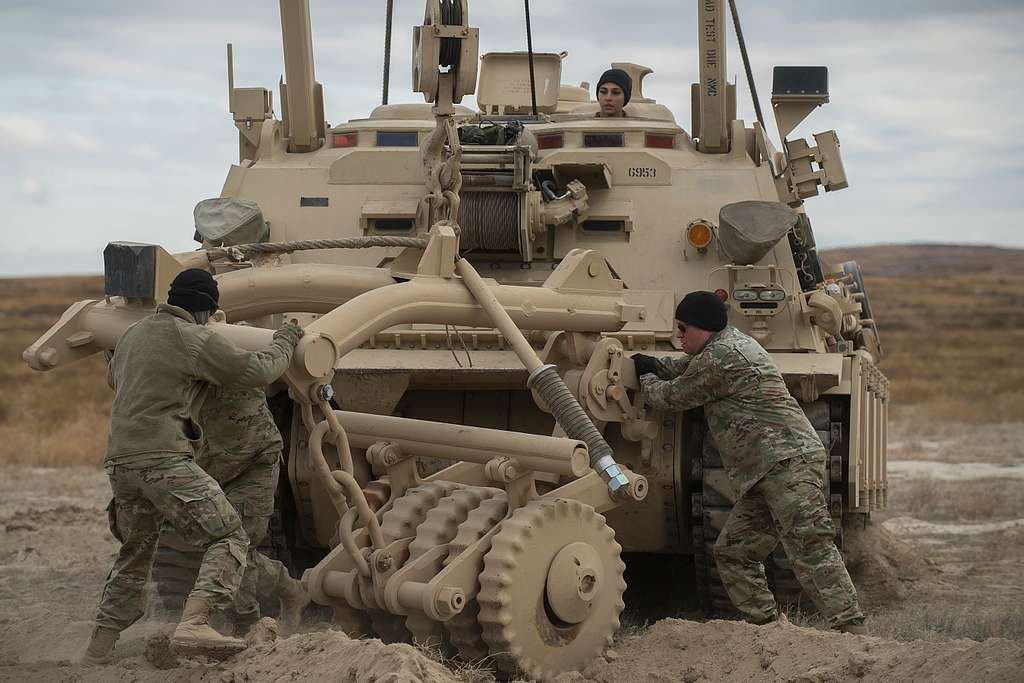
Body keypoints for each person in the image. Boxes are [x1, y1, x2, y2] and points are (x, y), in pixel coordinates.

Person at [83, 268, 306, 665]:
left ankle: (98, 648)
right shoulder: (192, 338)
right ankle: (197, 623)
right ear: (205, 312)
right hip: (164, 459)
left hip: (120, 463)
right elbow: (259, 372)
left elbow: (116, 377)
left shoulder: (130, 336)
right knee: (230, 539)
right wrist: (287, 339)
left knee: (136, 552)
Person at [633, 291, 866, 634]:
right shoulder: (728, 344)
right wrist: (656, 363)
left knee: (810, 547)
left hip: (788, 465)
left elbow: (671, 397)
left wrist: (646, 376)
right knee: (734, 553)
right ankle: (768, 630)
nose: (678, 335)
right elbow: (688, 365)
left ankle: (852, 630)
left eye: (683, 328)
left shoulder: (722, 359)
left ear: (704, 328)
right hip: (766, 472)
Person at [196, 385, 309, 635]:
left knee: (235, 547)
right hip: (205, 459)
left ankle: (245, 628)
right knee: (216, 547)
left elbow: (266, 363)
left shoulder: (219, 349)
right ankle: (291, 589)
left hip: (252, 459)